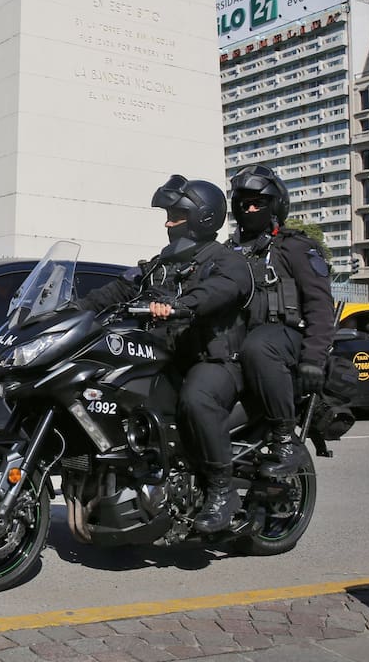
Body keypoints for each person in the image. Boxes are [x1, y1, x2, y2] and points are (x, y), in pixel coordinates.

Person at [79, 175, 252, 534]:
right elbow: (118, 289)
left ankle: (222, 492)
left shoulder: (227, 262)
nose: (168, 222)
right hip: (167, 359)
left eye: (175, 214)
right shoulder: (162, 263)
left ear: (201, 217)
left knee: (197, 399)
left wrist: (181, 305)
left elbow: (218, 292)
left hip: (212, 362)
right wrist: (73, 309)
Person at [226, 164, 334, 477]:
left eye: (257, 203)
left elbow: (320, 305)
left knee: (260, 347)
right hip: (237, 345)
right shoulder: (227, 252)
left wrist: (314, 358)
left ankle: (286, 440)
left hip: (283, 338)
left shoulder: (295, 247)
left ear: (275, 205)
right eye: (243, 203)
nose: (250, 209)